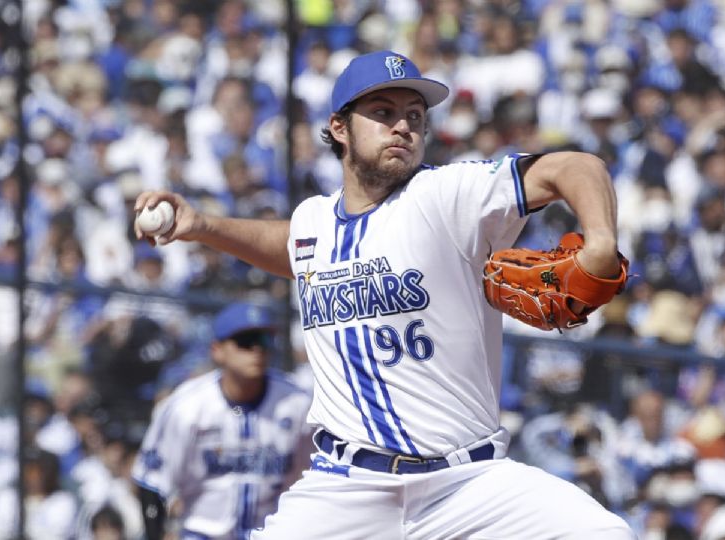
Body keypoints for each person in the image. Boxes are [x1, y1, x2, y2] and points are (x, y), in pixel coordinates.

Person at [136, 50, 633, 538]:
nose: (403, 126)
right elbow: (290, 248)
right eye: (383, 113)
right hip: (347, 487)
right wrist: (201, 225)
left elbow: (576, 166)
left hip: (469, 484)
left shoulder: (446, 195)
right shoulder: (314, 222)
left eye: (414, 116)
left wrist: (601, 244)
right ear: (338, 127)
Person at [132, 302, 312, 540]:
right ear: (217, 350)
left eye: (265, 340)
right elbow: (151, 483)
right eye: (245, 341)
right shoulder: (187, 406)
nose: (257, 349)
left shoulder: (297, 403)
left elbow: (317, 475)